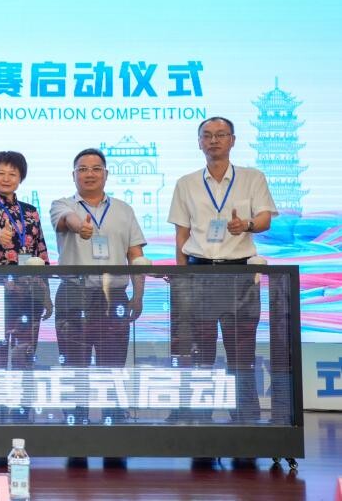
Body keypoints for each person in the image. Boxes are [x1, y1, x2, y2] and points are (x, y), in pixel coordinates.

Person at [168, 116, 276, 466]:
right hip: (198, 272)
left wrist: (246, 224)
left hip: (238, 272)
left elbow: (265, 219)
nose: (213, 140)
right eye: (207, 136)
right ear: (199, 142)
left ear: (233, 140)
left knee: (241, 354)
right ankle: (201, 424)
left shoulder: (252, 178)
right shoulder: (186, 183)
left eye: (220, 135)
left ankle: (246, 426)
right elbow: (181, 236)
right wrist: (182, 278)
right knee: (200, 354)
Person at [50, 147, 145, 466]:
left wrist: (139, 295)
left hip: (114, 296)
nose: (89, 173)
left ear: (106, 173)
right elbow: (67, 222)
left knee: (112, 367)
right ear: (73, 175)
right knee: (74, 368)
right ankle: (75, 433)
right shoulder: (62, 204)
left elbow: (136, 255)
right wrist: (81, 226)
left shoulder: (124, 210)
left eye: (96, 168)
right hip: (74, 295)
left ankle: (113, 432)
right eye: (82, 168)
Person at [0, 151, 52, 425]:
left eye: (12, 174)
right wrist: (1, 234)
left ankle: (21, 414)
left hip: (29, 293)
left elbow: (42, 252)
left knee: (24, 355)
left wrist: (46, 294)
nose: (6, 178)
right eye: (1, 173)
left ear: (21, 178)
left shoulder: (31, 212)